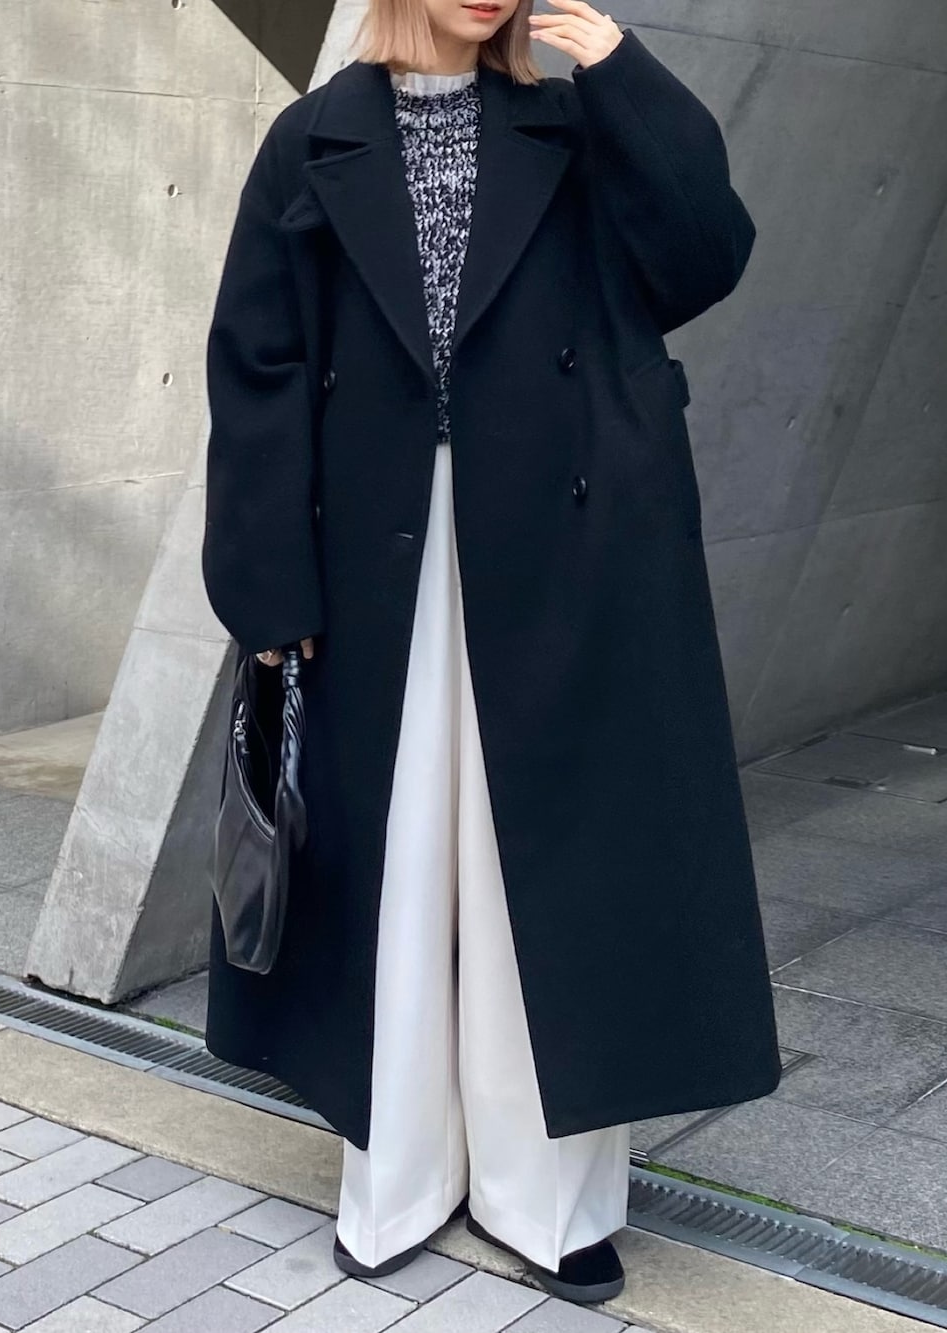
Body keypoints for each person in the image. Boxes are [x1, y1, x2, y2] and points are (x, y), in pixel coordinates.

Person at [201, 0, 782, 1306]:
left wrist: (625, 72)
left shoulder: (574, 119)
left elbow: (706, 255)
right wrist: (267, 583)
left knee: (546, 875)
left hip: (568, 550)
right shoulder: (315, 139)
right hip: (380, 557)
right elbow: (259, 365)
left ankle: (548, 1199)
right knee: (398, 860)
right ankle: (396, 1176)